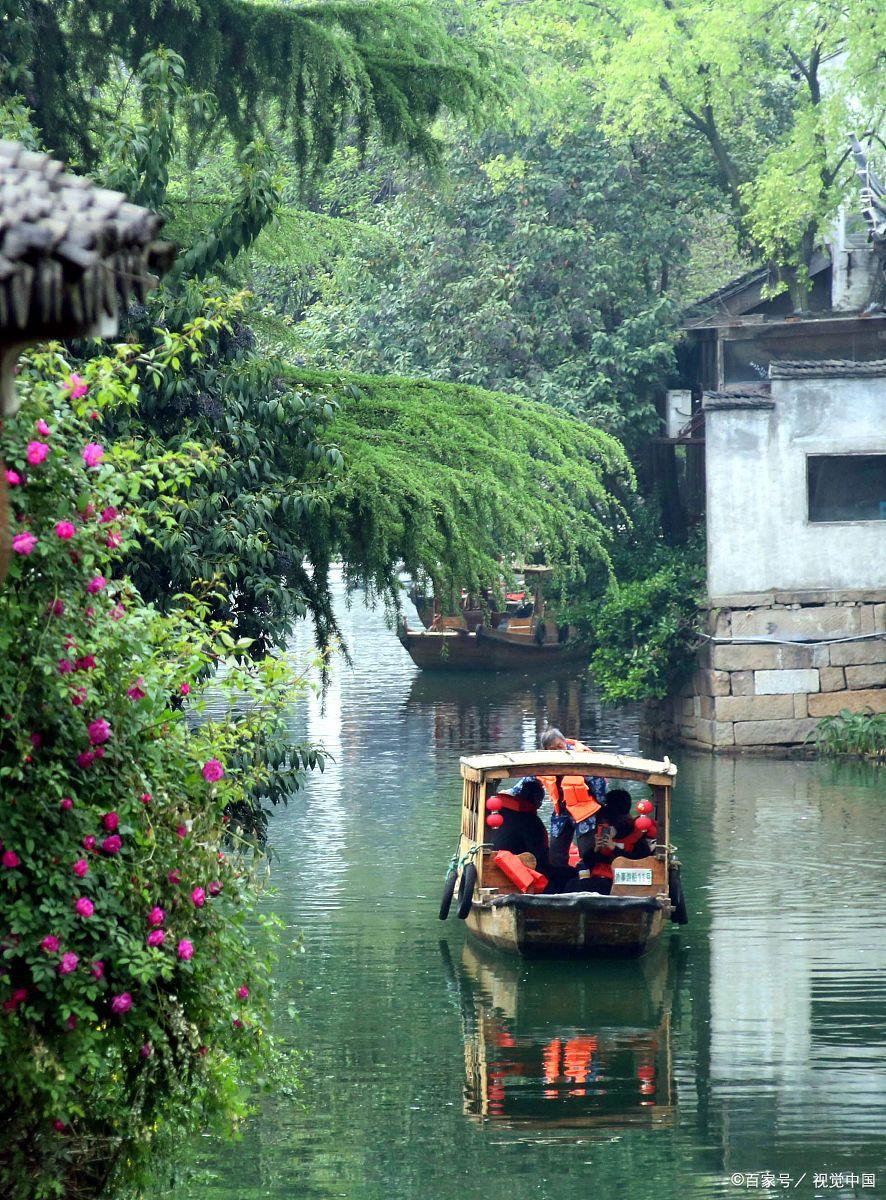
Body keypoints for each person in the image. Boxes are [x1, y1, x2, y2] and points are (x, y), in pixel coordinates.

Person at [486, 776, 577, 892]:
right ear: (537, 802)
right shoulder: (531, 822)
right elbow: (541, 859)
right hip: (520, 872)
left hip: (495, 861)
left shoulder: (500, 812)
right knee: (569, 874)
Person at [537, 727, 607, 872]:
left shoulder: (583, 757)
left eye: (559, 746)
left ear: (564, 742)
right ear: (546, 750)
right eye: (552, 749)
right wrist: (511, 792)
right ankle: (560, 882)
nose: (558, 751)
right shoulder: (544, 761)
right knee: (556, 853)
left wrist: (603, 811)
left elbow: (599, 785)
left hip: (585, 813)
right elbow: (529, 776)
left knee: (587, 852)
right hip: (562, 812)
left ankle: (588, 882)